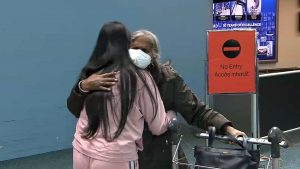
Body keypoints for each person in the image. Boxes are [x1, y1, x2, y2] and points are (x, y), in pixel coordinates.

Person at [67, 30, 246, 169]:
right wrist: (83, 87)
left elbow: (196, 110)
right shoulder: (109, 75)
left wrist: (227, 128)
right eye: (134, 48)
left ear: (154, 54)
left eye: (144, 50)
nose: (137, 53)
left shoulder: (169, 80)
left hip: (158, 156)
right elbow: (75, 108)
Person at [71, 22, 176, 169]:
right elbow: (158, 126)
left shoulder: (92, 71)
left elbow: (74, 107)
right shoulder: (141, 77)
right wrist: (171, 116)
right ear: (127, 45)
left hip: (80, 150)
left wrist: (83, 85)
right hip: (115, 157)